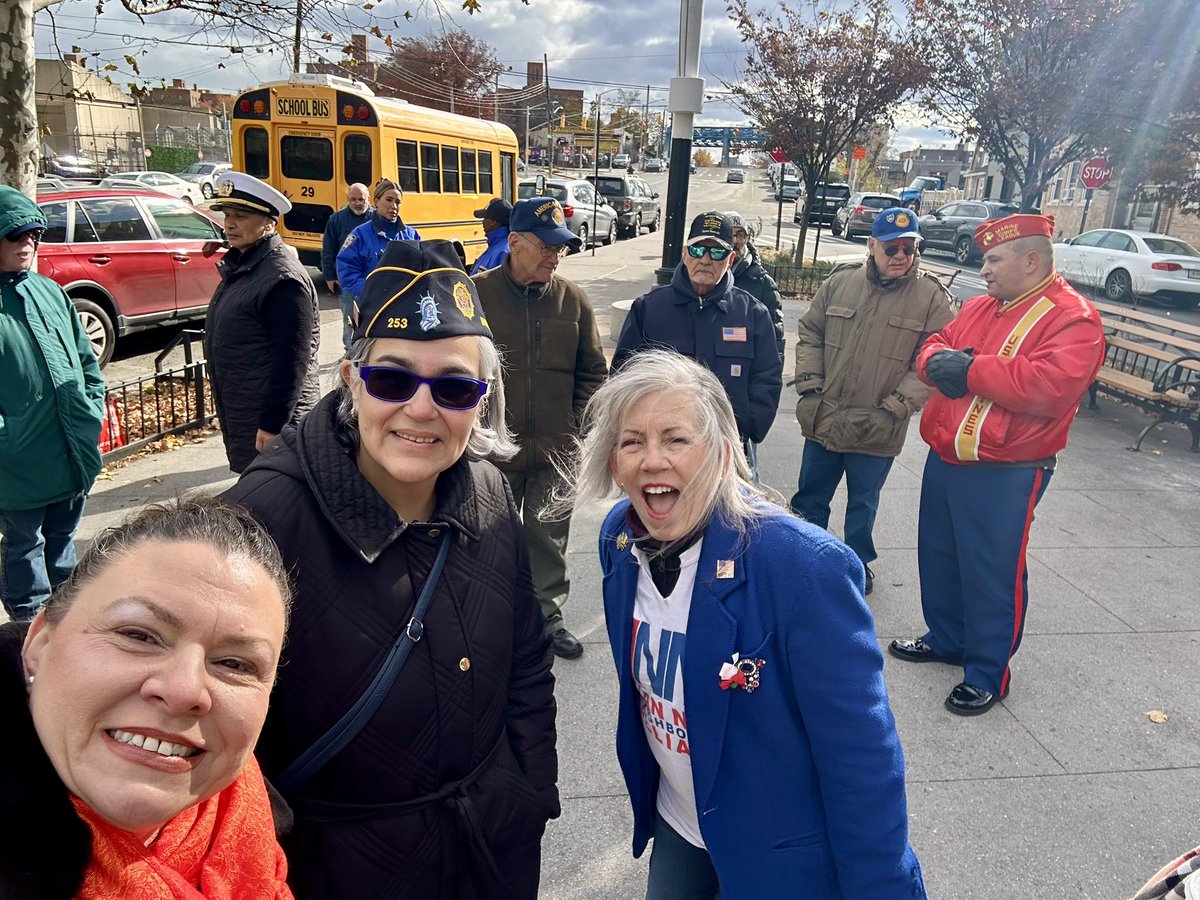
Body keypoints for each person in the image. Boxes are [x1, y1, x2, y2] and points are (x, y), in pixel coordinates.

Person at [222, 239, 559, 898]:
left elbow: (527, 659)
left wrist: (527, 794)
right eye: (394, 378)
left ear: (481, 400)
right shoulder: (259, 522)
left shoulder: (490, 493)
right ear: (352, 379)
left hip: (491, 855)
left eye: (455, 386)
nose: (423, 408)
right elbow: (220, 746)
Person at [550, 349, 926, 899]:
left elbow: (863, 761)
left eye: (676, 439)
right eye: (632, 441)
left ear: (724, 453)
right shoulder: (619, 538)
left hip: (779, 852)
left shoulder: (801, 567)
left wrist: (884, 890)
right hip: (678, 824)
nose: (652, 460)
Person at [0, 497, 293, 898]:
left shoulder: (256, 827)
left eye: (236, 664)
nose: (184, 691)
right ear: (38, 645)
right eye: (138, 635)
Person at [889, 213, 1105, 715]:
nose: (982, 269)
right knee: (939, 555)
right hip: (948, 455)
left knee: (991, 570)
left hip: (1007, 470)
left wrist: (970, 369)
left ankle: (988, 671)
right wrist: (937, 363)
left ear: (1031, 261)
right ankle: (946, 638)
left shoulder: (1072, 317)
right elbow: (934, 348)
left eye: (993, 259)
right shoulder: (984, 306)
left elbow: (1050, 386)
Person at [791, 207, 955, 595]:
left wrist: (899, 405)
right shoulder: (841, 282)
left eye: (908, 248)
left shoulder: (931, 297)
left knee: (863, 505)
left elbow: (937, 359)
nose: (901, 256)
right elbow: (811, 330)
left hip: (878, 423)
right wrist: (810, 384)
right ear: (871, 246)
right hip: (825, 416)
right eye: (891, 249)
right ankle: (805, 558)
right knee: (810, 497)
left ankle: (856, 564)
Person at [473, 198, 607, 661]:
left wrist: (577, 426)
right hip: (493, 449)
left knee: (548, 537)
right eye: (546, 246)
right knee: (489, 537)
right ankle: (489, 619)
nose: (554, 255)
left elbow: (593, 372)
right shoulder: (475, 296)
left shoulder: (573, 300)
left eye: (561, 248)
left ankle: (548, 619)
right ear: (513, 242)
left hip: (556, 449)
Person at [0, 185, 105, 624]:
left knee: (63, 540)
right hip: (18, 461)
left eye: (33, 235)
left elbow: (85, 360)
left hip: (71, 450)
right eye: (15, 235)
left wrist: (92, 408)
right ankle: (28, 632)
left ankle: (66, 620)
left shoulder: (49, 291)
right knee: (25, 547)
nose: (27, 243)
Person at [614, 211, 782, 448]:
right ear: (685, 253)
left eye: (717, 252)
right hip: (662, 447)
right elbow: (624, 375)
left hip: (726, 447)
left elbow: (767, 377)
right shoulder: (648, 309)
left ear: (731, 260)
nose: (705, 260)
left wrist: (747, 428)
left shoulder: (753, 314)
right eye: (697, 250)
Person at [204, 171, 321, 474]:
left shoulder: (282, 279)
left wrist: (272, 424)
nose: (229, 223)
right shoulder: (247, 265)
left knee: (278, 504)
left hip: (275, 425)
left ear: (269, 221)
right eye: (227, 214)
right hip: (250, 413)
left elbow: (293, 358)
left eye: (240, 216)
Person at [336, 178, 422, 305]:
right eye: (389, 200)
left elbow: (422, 267)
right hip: (370, 307)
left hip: (404, 306)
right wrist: (375, 292)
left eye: (398, 202)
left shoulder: (411, 235)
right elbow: (347, 273)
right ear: (376, 201)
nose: (394, 206)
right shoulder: (359, 235)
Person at [724, 211, 785, 361]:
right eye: (730, 235)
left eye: (741, 235)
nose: (736, 241)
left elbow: (775, 342)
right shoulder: (705, 280)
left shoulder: (764, 284)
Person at [320, 182, 370, 351]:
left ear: (368, 199)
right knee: (349, 317)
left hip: (372, 279)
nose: (357, 203)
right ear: (348, 199)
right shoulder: (337, 219)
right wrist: (329, 275)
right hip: (347, 279)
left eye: (361, 199)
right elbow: (328, 249)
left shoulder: (377, 219)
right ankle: (349, 351)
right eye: (353, 199)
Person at [470, 196, 513, 275]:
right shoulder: (496, 246)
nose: (482, 222)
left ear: (493, 222)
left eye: (485, 218)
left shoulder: (504, 252)